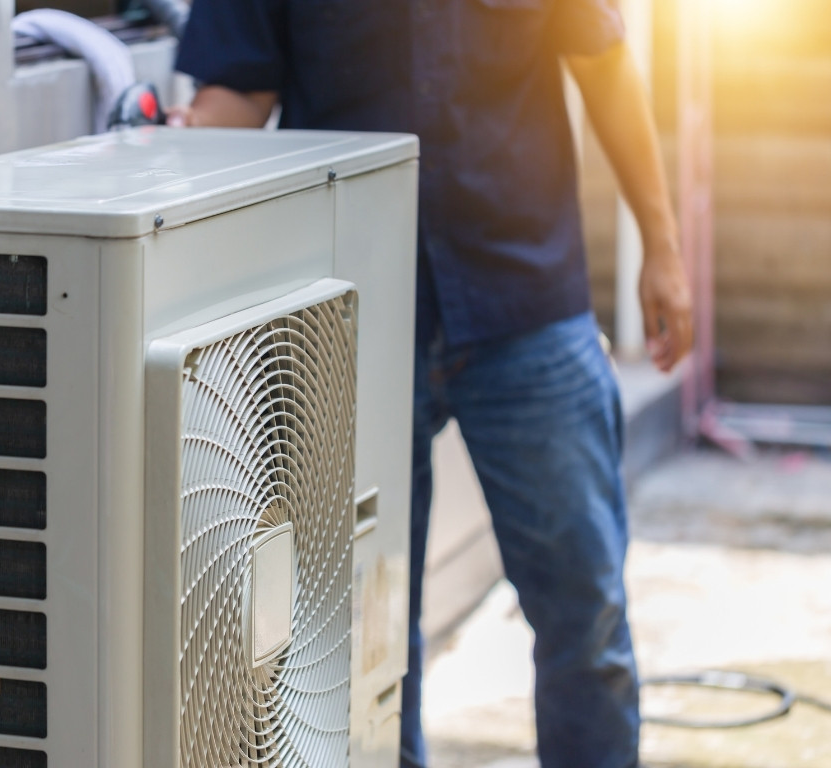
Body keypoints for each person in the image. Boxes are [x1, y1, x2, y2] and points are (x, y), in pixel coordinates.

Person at [170, 1, 692, 766]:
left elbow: (604, 61)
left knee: (587, 611)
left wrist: (663, 246)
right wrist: (153, 156)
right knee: (359, 632)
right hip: (355, 311)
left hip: (526, 298)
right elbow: (241, 94)